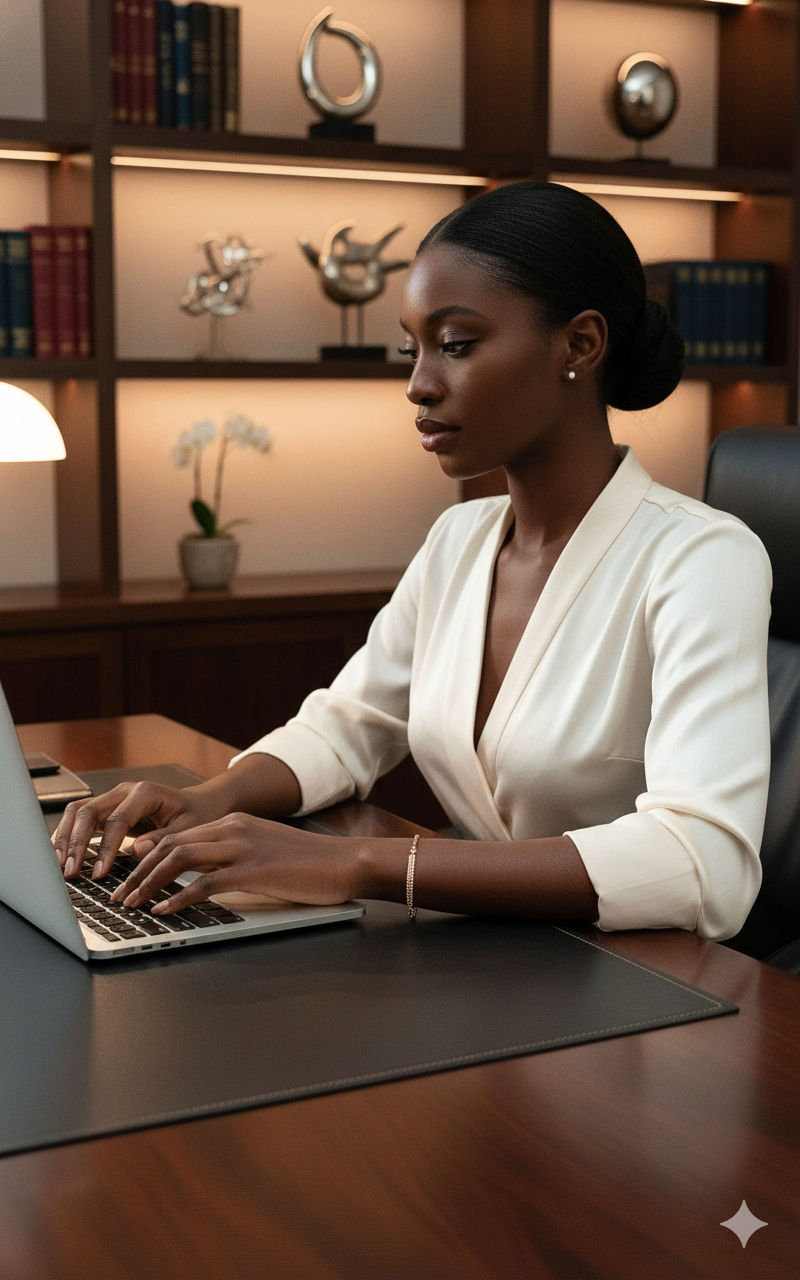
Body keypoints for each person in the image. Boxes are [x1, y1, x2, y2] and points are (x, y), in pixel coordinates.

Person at [53, 182, 771, 939]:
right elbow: (348, 725)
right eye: (413, 348)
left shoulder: (701, 560)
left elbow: (702, 862)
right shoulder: (459, 543)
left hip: (652, 993)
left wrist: (364, 864)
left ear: (580, 345)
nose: (418, 384)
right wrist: (213, 798)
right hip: (495, 956)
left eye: (455, 345)